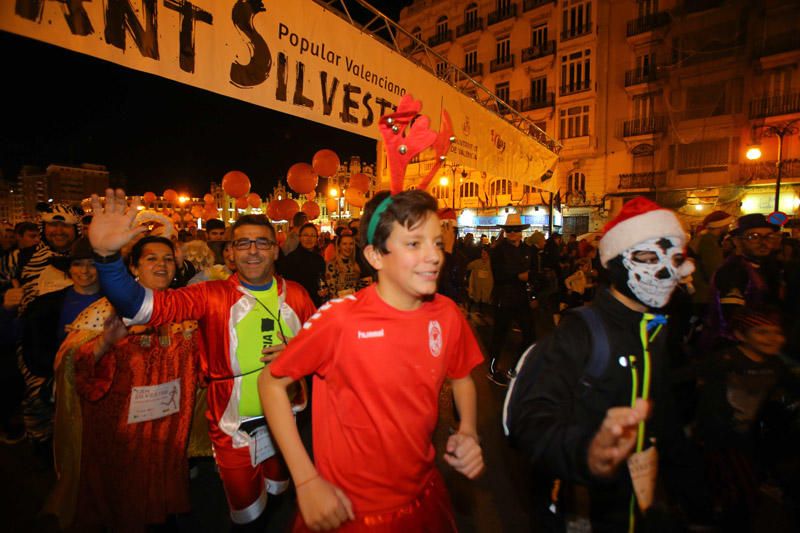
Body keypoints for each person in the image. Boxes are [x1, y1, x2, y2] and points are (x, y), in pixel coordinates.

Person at [87, 189, 316, 529]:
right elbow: (140, 306)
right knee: (248, 513)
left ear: (276, 249)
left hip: (287, 420)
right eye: (243, 243)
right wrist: (107, 260)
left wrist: (300, 354)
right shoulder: (210, 295)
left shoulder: (297, 294)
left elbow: (325, 350)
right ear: (230, 253)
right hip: (234, 426)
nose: (253, 250)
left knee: (279, 495)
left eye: (262, 243)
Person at [259, 189, 485, 532]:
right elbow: (271, 383)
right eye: (414, 243)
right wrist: (305, 481)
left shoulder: (447, 314)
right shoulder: (340, 320)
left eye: (437, 243)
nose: (433, 256)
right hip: (349, 510)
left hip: (422, 497)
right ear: (376, 256)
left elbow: (462, 376)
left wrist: (468, 429)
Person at [505, 196, 706, 532]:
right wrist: (586, 453)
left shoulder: (655, 332)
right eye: (646, 256)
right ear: (616, 261)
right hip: (582, 510)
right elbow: (529, 420)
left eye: (674, 257)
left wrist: (694, 499)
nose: (664, 269)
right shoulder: (580, 332)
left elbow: (664, 422)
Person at [47, 236, 202, 530]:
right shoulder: (103, 311)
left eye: (168, 259)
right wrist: (105, 343)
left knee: (163, 503)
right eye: (151, 258)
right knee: (122, 503)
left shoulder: (185, 309)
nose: (161, 265)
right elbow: (71, 368)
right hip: (119, 434)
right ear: (133, 267)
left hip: (168, 429)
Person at [693, 306, 798, 531]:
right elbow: (708, 406)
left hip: (750, 441)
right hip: (721, 441)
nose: (772, 338)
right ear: (741, 335)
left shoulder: (776, 365)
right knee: (739, 496)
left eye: (777, 332)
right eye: (761, 332)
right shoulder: (724, 362)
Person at [705, 213, 782, 348]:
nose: (763, 243)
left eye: (769, 237)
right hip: (736, 347)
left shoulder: (767, 268)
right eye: (753, 237)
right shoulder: (734, 270)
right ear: (737, 241)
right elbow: (732, 316)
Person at [488, 213, 534, 386]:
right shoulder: (498, 250)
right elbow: (499, 274)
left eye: (516, 229)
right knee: (499, 336)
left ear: (521, 231)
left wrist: (533, 293)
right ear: (505, 231)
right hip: (504, 298)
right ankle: (492, 370)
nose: (513, 232)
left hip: (521, 298)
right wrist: (518, 276)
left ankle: (514, 368)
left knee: (530, 335)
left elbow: (533, 273)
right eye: (509, 230)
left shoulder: (527, 250)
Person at [278, 222, 327, 307]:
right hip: (297, 303)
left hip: (315, 303)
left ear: (316, 239)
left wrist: (324, 289)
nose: (309, 238)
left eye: (312, 236)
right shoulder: (291, 259)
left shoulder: (319, 259)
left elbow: (322, 280)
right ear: (300, 238)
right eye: (305, 235)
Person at [324, 229, 361, 297]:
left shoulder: (355, 264)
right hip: (339, 304)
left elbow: (357, 288)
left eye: (351, 244)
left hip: (353, 303)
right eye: (344, 244)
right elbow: (331, 291)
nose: (348, 247)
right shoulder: (332, 265)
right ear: (338, 246)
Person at [466, 246, 493, 314]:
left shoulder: (492, 264)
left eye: (484, 253)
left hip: (487, 286)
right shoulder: (477, 262)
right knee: (475, 298)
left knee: (485, 300)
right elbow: (468, 266)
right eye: (482, 253)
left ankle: (483, 313)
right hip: (477, 285)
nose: (482, 255)